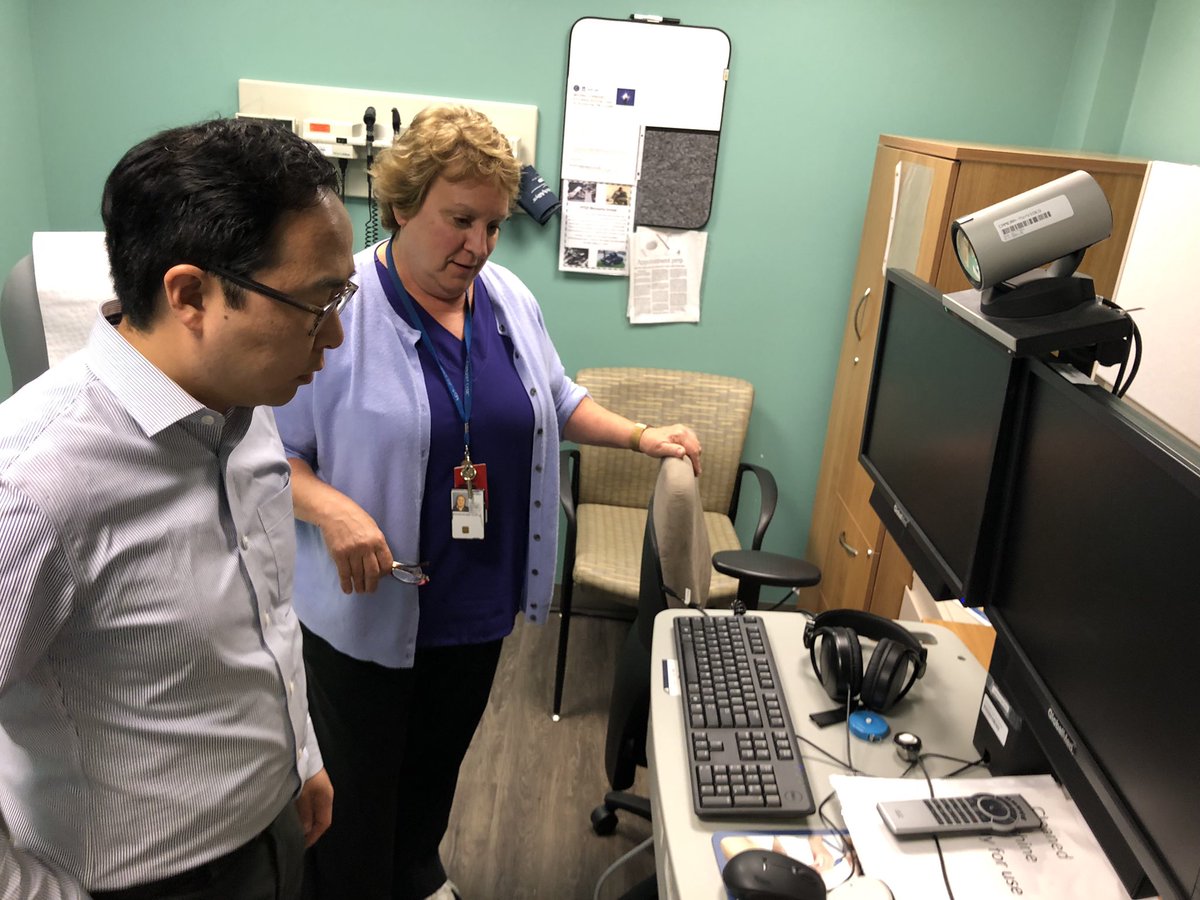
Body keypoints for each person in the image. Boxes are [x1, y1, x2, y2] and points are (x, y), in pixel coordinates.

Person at [273, 104, 702, 900]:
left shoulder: (505, 298)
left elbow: (557, 398)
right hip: (367, 612)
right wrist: (332, 509)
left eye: (494, 225)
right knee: (357, 797)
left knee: (434, 772)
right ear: (403, 206)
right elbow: (269, 451)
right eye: (460, 220)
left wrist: (642, 437)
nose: (478, 245)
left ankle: (415, 873)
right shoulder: (339, 309)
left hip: (477, 601)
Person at [0, 117, 354, 899]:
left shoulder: (246, 403)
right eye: (316, 303)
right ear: (191, 295)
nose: (333, 335)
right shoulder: (32, 487)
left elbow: (266, 615)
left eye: (341, 295)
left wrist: (299, 755)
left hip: (275, 823)